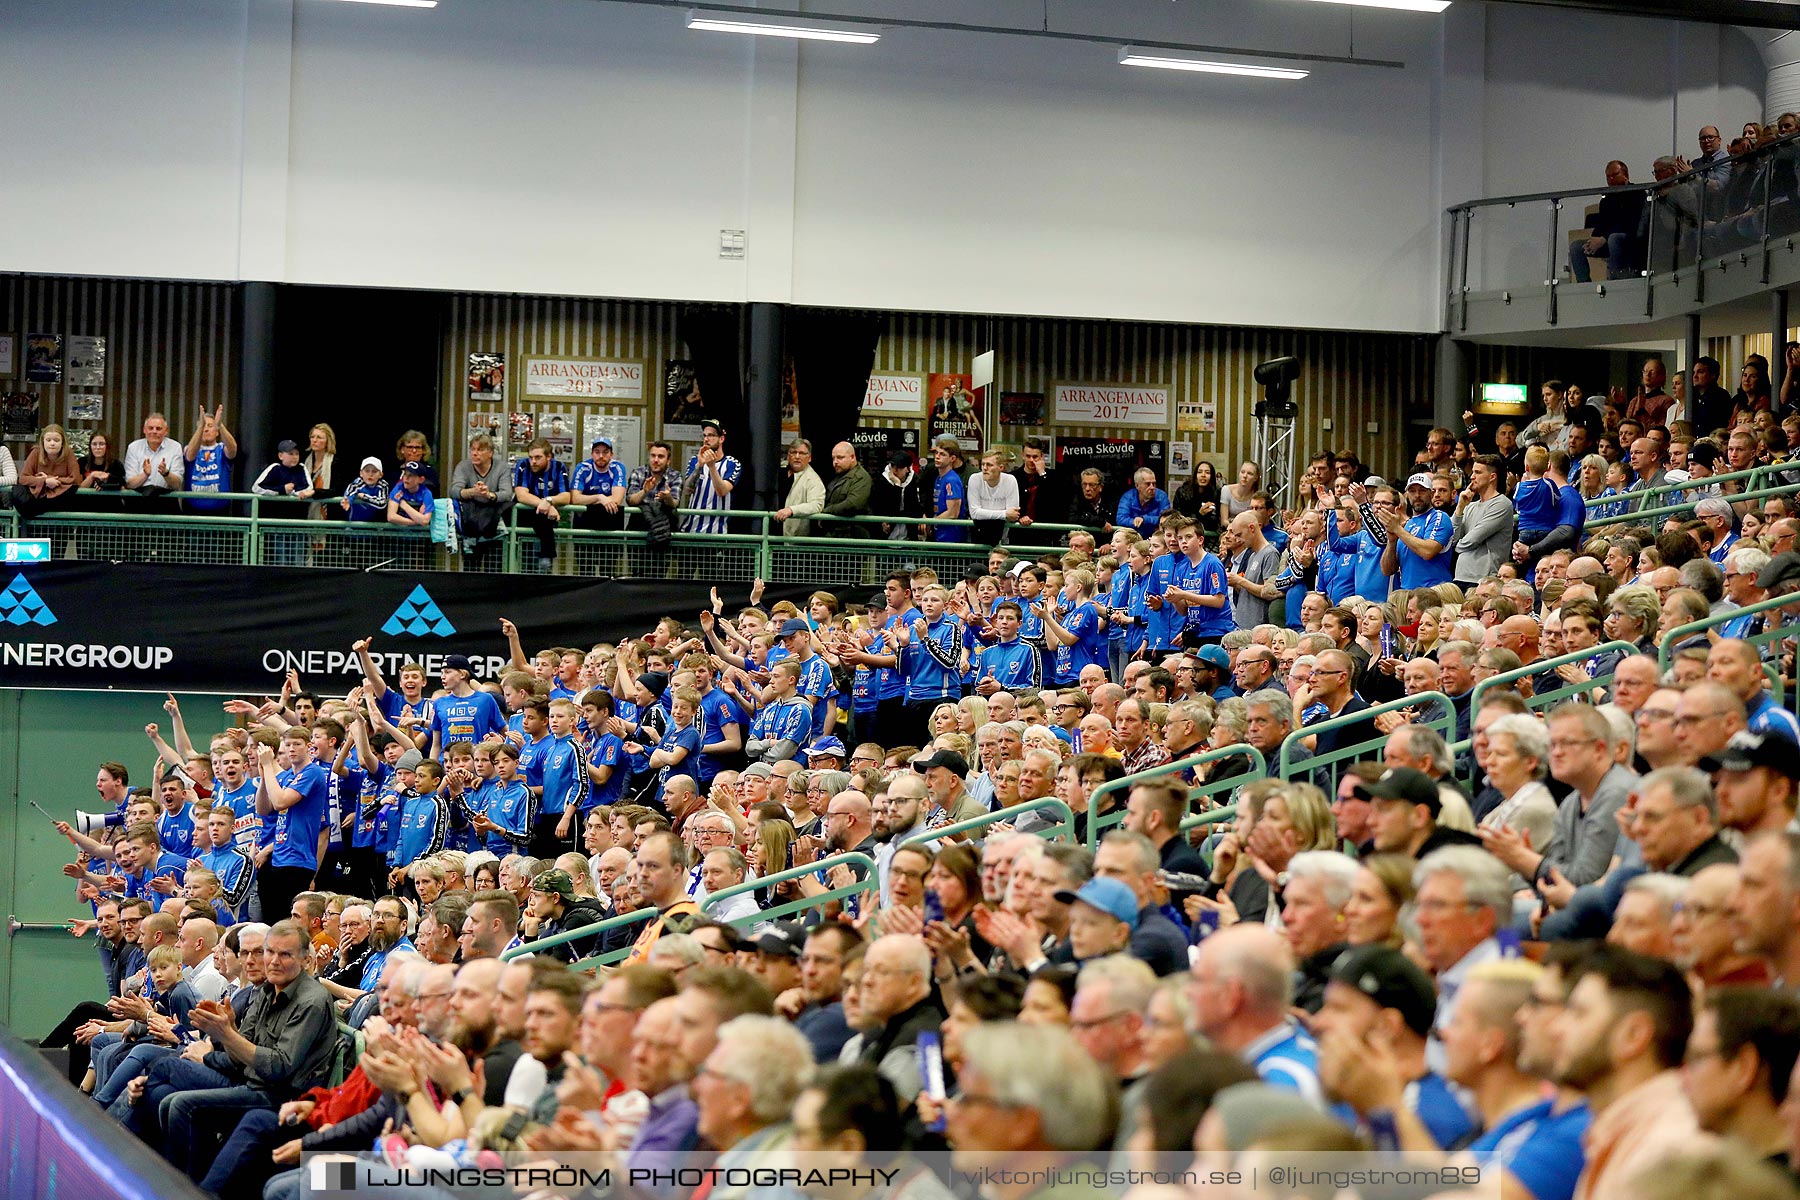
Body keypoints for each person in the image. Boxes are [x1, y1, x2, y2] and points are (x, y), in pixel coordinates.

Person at [681, 418, 741, 535]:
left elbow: (722, 491)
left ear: (721, 439)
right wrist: (699, 465)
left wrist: (712, 467)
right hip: (690, 529)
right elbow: (687, 490)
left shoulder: (732, 464)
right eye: (704, 435)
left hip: (716, 532)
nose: (706, 439)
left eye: (711, 435)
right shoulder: (695, 461)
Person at [773, 438, 826, 537]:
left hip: (794, 541)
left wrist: (792, 510)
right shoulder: (780, 473)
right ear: (788, 456)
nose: (797, 457)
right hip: (773, 534)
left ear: (809, 458)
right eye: (793, 452)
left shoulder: (813, 479)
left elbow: (816, 505)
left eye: (801, 453)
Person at [123, 413, 184, 495]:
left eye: (158, 429)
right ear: (144, 430)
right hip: (140, 500)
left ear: (166, 431)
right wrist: (145, 474)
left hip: (165, 500)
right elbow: (130, 484)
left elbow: (177, 485)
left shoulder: (175, 447)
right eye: (150, 428)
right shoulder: (133, 447)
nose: (154, 431)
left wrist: (166, 473)